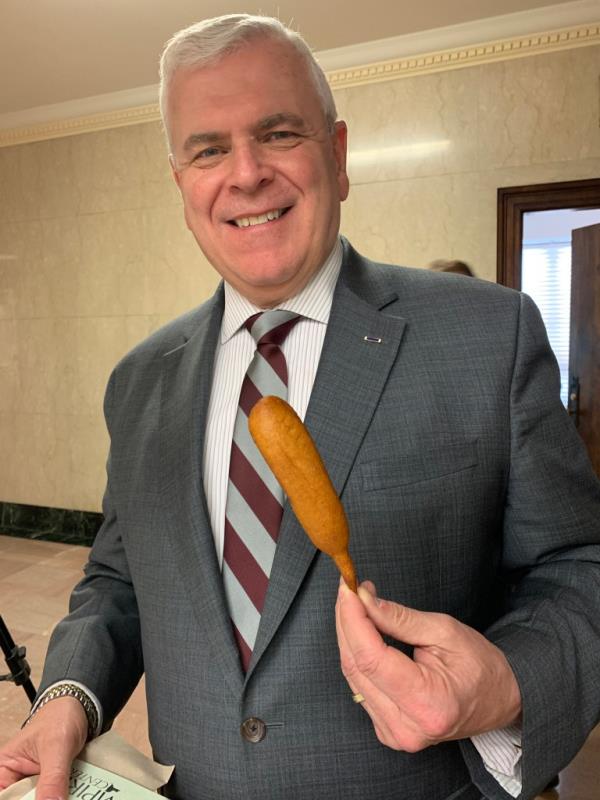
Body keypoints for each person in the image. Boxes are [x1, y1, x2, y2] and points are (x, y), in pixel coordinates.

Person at [2, 14, 600, 800]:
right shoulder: (139, 380)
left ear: (338, 155)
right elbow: (118, 580)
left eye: (278, 134)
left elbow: (579, 567)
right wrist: (68, 696)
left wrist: (505, 684)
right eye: (208, 150)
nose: (246, 174)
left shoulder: (490, 335)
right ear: (182, 183)